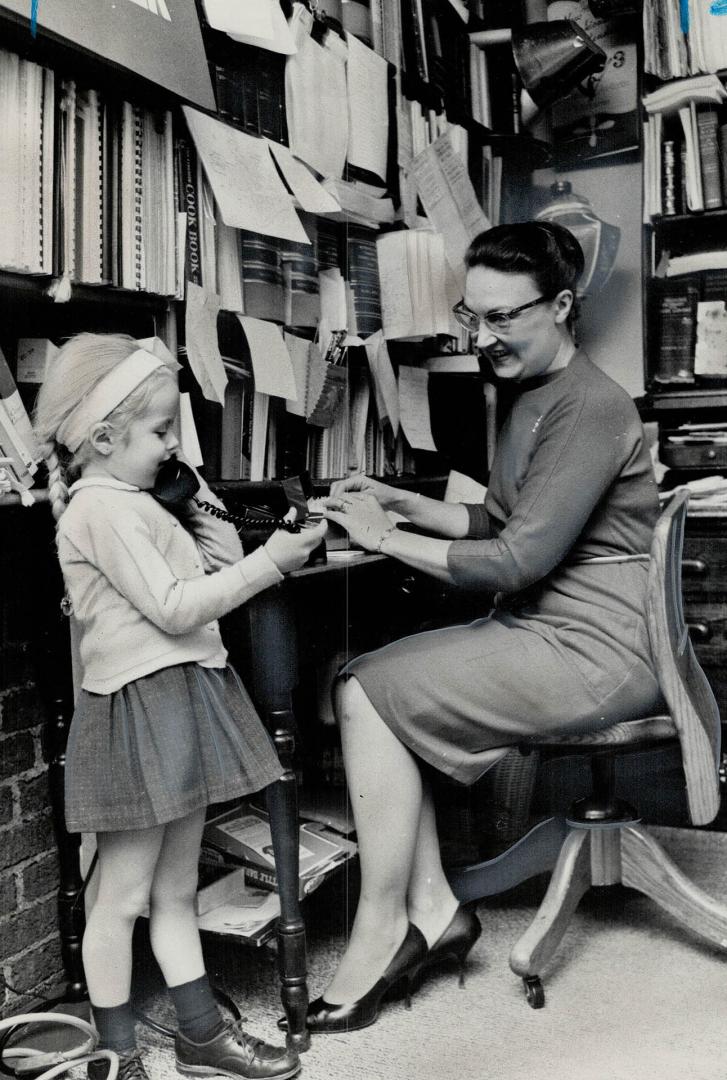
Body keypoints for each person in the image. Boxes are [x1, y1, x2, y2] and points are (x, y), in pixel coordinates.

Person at [300, 220, 662, 1033]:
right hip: (544, 629)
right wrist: (401, 502)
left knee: (366, 687)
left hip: (593, 649)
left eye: (505, 318)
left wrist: (383, 539)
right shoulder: (529, 391)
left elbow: (513, 561)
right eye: (473, 316)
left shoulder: (590, 406)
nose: (484, 337)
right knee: (365, 677)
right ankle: (431, 908)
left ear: (562, 305)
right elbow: (496, 519)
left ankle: (387, 925)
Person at [33, 333, 327, 1080]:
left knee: (173, 888)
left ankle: (199, 1035)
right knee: (122, 898)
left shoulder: (136, 499)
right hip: (141, 708)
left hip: (182, 694)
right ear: (102, 437)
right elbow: (171, 608)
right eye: (162, 431)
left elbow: (211, 572)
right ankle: (117, 1054)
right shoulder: (100, 508)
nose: (173, 446)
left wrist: (202, 508)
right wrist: (269, 564)